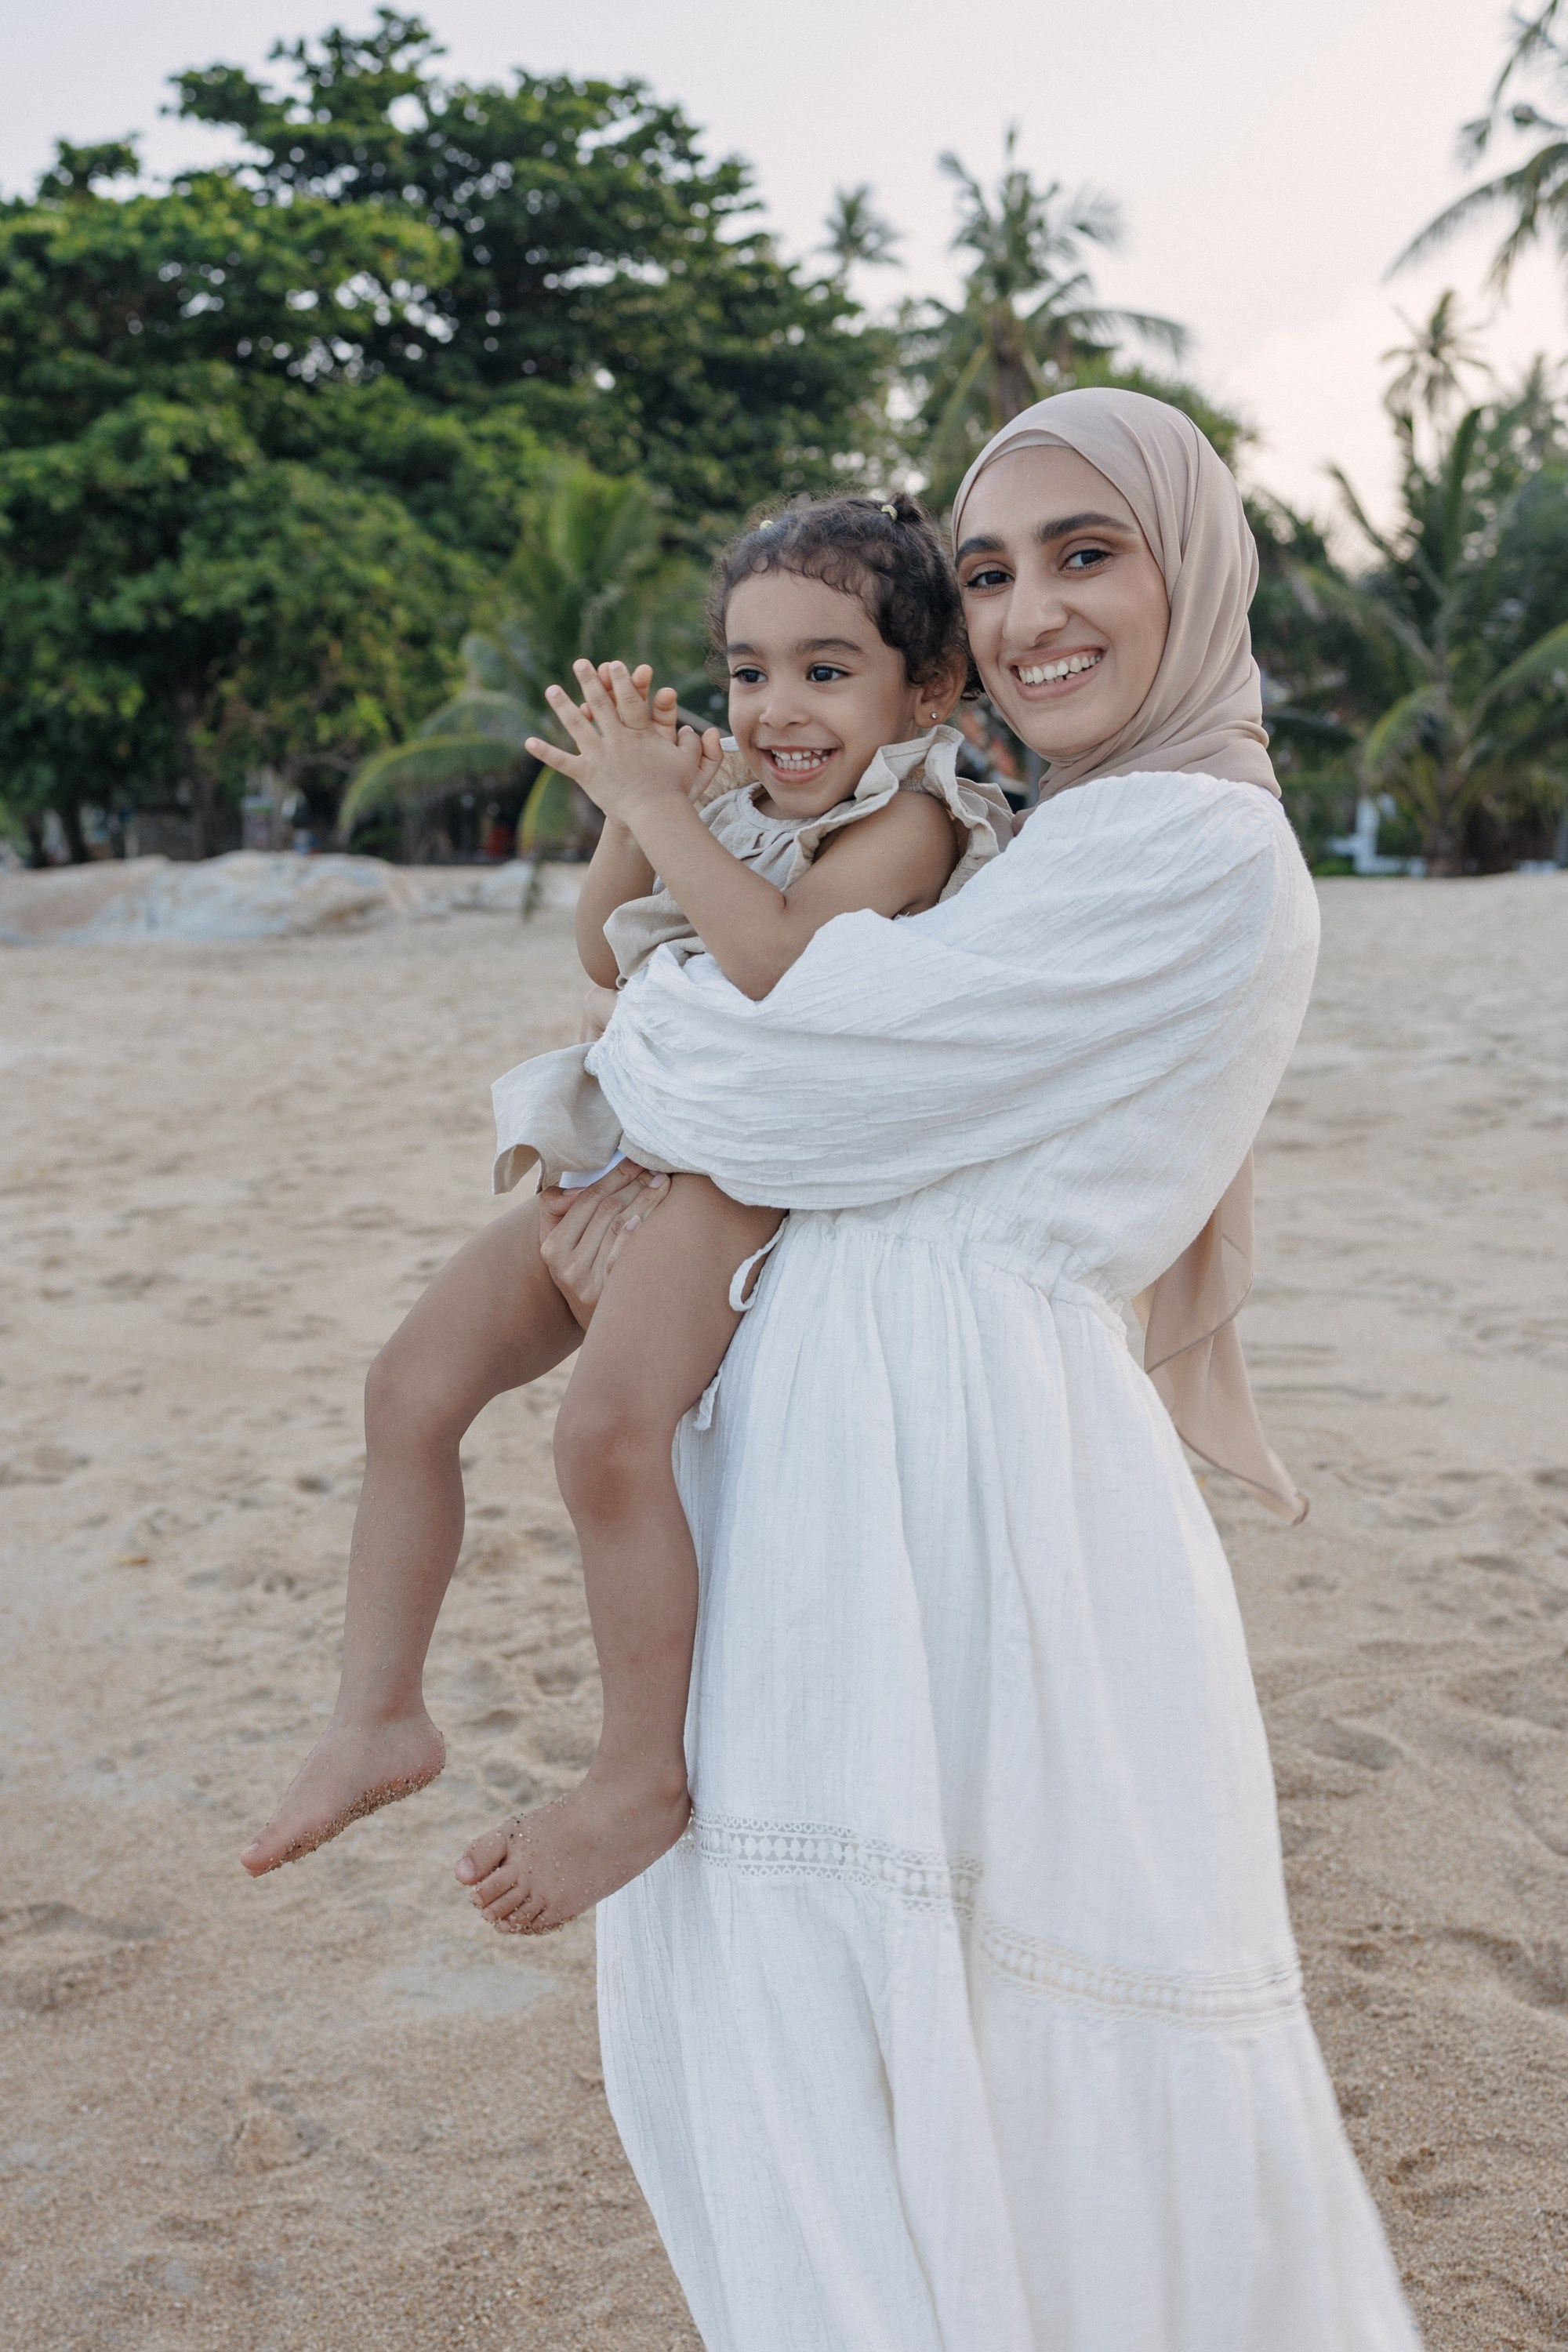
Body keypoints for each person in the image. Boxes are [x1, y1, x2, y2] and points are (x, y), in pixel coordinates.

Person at [560, 390, 1421, 2347]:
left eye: (1086, 554)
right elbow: (789, 1058)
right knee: (824, 2026)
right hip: (853, 1455)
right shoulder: (1045, 838)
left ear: (1195, 572)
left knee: (994, 2030)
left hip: (969, 1481)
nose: (1033, 612)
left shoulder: (1191, 845)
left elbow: (783, 1078)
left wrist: (660, 1069)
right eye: (990, 570)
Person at [239, 495, 1011, 1941]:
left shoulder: (914, 817)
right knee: (408, 1384)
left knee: (603, 1435)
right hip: (630, 1131)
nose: (777, 708)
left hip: (738, 1172)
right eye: (747, 670)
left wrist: (665, 811)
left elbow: (777, 958)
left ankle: (637, 1773)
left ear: (930, 689)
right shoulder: (731, 804)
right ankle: (377, 1712)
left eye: (826, 670)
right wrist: (630, 809)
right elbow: (606, 948)